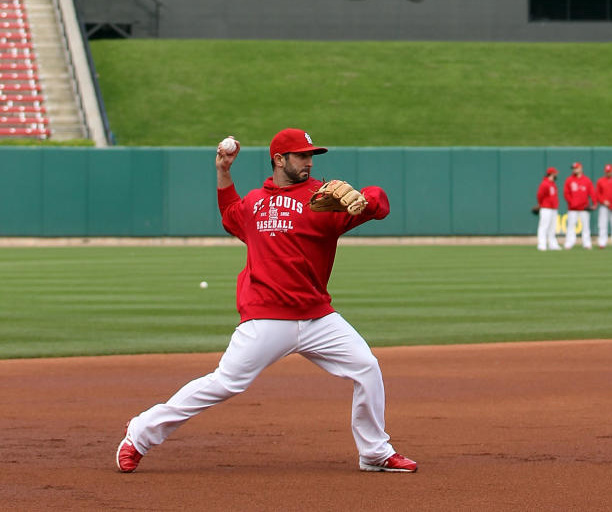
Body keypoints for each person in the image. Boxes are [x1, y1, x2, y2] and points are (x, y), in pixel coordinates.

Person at [115, 128, 417, 475]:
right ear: (279, 160)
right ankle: (139, 435)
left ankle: (375, 452)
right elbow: (230, 213)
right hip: (267, 318)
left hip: (318, 317)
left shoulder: (324, 199)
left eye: (311, 156)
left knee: (366, 367)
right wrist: (223, 171)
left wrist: (368, 198)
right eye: (301, 155)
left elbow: (379, 204)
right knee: (224, 383)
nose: (308, 161)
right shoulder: (255, 202)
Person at [563, 160, 596, 249]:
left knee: (586, 226)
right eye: (573, 168)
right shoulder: (569, 180)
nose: (574, 170)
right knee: (570, 226)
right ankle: (569, 243)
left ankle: (587, 243)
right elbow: (566, 193)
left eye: (576, 168)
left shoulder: (586, 180)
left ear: (581, 168)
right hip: (572, 208)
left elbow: (592, 192)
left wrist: (594, 203)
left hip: (584, 207)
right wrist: (572, 202)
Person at [594, 163, 612, 249]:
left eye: (609, 171)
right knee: (602, 225)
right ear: (605, 172)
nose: (608, 173)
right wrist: (603, 201)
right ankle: (602, 243)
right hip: (604, 206)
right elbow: (598, 193)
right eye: (607, 171)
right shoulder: (600, 181)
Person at [535, 165, 561, 250]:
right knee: (544, 227)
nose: (556, 175)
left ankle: (552, 244)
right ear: (552, 174)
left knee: (552, 228)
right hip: (546, 208)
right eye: (555, 173)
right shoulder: (545, 183)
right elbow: (539, 195)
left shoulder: (552, 184)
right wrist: (541, 205)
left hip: (553, 208)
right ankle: (541, 244)